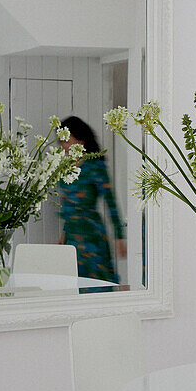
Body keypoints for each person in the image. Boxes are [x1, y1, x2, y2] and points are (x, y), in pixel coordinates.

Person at [57, 116, 126, 284]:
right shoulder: (64, 168)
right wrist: (64, 235)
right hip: (72, 238)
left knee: (97, 284)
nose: (63, 145)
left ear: (80, 141)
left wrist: (119, 236)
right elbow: (69, 207)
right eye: (61, 141)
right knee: (73, 286)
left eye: (67, 140)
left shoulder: (95, 167)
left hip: (91, 236)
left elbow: (110, 202)